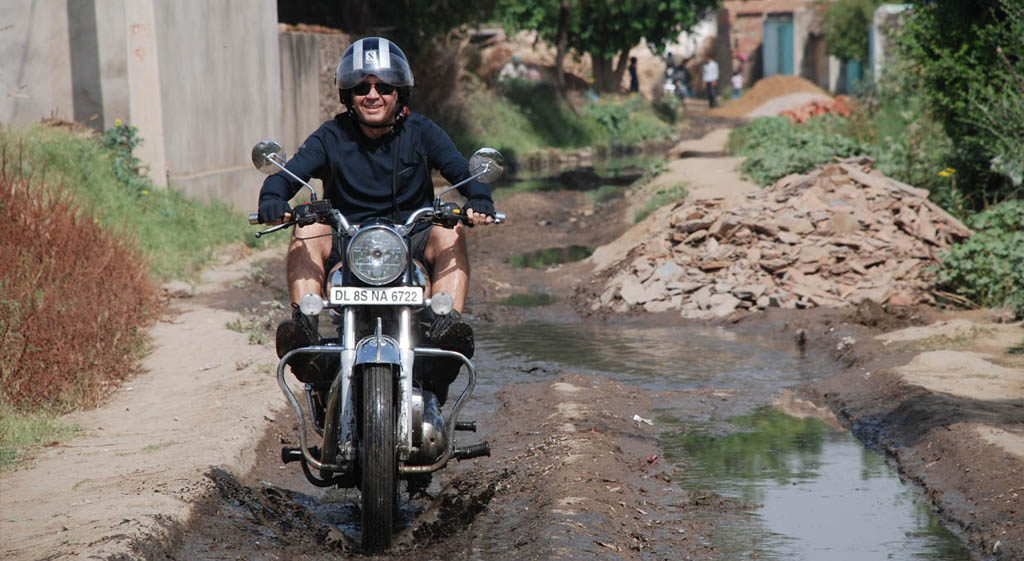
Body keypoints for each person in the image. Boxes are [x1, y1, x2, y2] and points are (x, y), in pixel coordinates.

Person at [257, 37, 495, 397]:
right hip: (346, 238)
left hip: (409, 238)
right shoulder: (331, 135)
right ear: (347, 95)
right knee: (308, 226)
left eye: (383, 87)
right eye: (361, 88)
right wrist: (273, 199)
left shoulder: (423, 131)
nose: (372, 95)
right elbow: (287, 176)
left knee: (451, 228)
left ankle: (448, 328)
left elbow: (463, 174)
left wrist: (480, 199)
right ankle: (304, 327)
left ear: (399, 93)